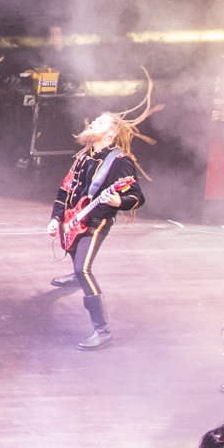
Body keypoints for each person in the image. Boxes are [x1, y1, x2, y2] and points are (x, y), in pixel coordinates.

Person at [49, 99, 152, 350]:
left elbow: (137, 196)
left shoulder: (119, 161)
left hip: (96, 222)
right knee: (77, 260)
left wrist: (119, 200)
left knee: (85, 268)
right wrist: (56, 217)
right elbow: (65, 189)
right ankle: (75, 273)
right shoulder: (85, 156)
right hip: (74, 218)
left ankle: (102, 330)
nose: (94, 121)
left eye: (100, 121)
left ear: (111, 132)